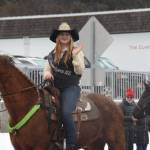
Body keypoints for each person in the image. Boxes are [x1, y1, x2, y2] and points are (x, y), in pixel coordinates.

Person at [43, 22, 85, 150]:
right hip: (54, 88)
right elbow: (46, 69)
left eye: (67, 34)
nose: (64, 36)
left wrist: (74, 56)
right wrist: (47, 73)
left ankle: (72, 144)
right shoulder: (52, 53)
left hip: (70, 88)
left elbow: (79, 71)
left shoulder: (76, 51)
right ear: (58, 37)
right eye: (62, 34)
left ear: (70, 36)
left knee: (66, 112)